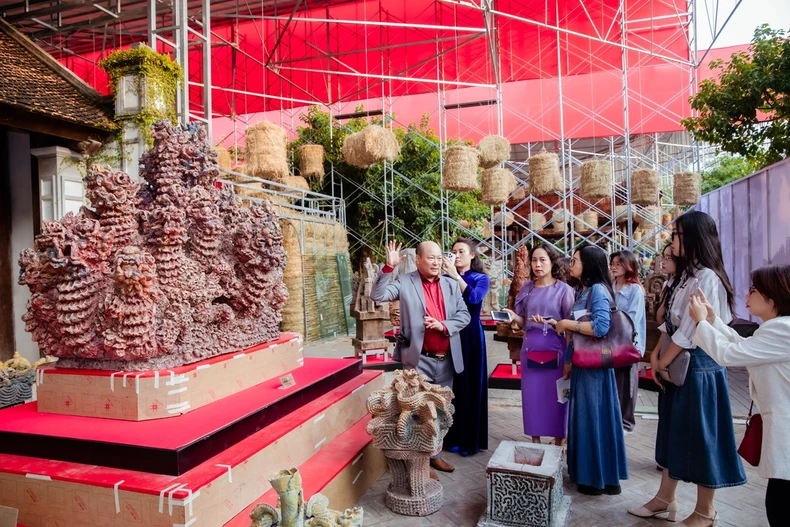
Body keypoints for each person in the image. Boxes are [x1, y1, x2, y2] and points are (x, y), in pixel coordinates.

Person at [628, 211, 745, 527]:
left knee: (704, 437)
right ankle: (665, 499)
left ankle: (706, 510)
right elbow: (670, 322)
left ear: (693, 238)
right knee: (673, 434)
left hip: (699, 369)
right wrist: (656, 356)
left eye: (677, 235)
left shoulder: (708, 276)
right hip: (676, 364)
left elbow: (694, 330)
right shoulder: (682, 276)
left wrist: (663, 360)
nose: (672, 240)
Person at [689, 265, 790, 527]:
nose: (747, 294)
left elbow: (729, 355)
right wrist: (713, 322)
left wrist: (701, 322)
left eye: (754, 289)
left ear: (775, 296)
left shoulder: (782, 330)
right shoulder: (778, 329)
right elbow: (744, 348)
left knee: (781, 506)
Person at [371, 239, 471, 475]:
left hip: (446, 359)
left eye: (439, 258)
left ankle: (435, 455)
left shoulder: (450, 285)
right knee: (416, 412)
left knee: (441, 410)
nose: (436, 262)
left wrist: (442, 325)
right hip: (418, 359)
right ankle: (418, 463)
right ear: (418, 259)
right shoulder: (405, 282)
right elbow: (378, 294)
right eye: (431, 257)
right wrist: (388, 267)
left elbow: (464, 315)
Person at [548, 245, 628, 496]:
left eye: (575, 260)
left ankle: (598, 479)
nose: (570, 264)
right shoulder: (581, 290)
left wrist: (566, 323)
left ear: (590, 264)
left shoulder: (598, 291)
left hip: (595, 366)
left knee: (594, 419)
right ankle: (588, 474)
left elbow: (601, 327)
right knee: (585, 419)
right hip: (582, 363)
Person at [502, 243, 574, 445]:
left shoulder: (564, 290)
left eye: (543, 260)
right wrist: (513, 317)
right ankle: (535, 442)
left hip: (557, 349)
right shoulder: (527, 288)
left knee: (557, 398)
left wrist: (569, 359)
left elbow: (569, 327)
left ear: (552, 262)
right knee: (533, 399)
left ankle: (559, 443)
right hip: (531, 347)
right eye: (534, 260)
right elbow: (525, 322)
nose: (538, 264)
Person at [442, 238, 490, 457]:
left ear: (472, 255)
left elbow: (474, 298)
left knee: (471, 385)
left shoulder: (481, 278)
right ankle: (450, 436)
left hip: (470, 335)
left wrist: (455, 276)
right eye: (453, 252)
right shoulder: (443, 278)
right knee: (453, 387)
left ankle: (470, 440)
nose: (457, 255)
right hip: (450, 333)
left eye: (462, 251)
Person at [609, 250, 646, 433]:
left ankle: (625, 422)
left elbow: (632, 319)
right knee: (614, 382)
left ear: (628, 265)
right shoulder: (610, 285)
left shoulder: (635, 290)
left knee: (626, 384)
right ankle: (615, 419)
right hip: (610, 342)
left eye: (619, 263)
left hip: (628, 343)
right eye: (613, 263)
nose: (614, 267)